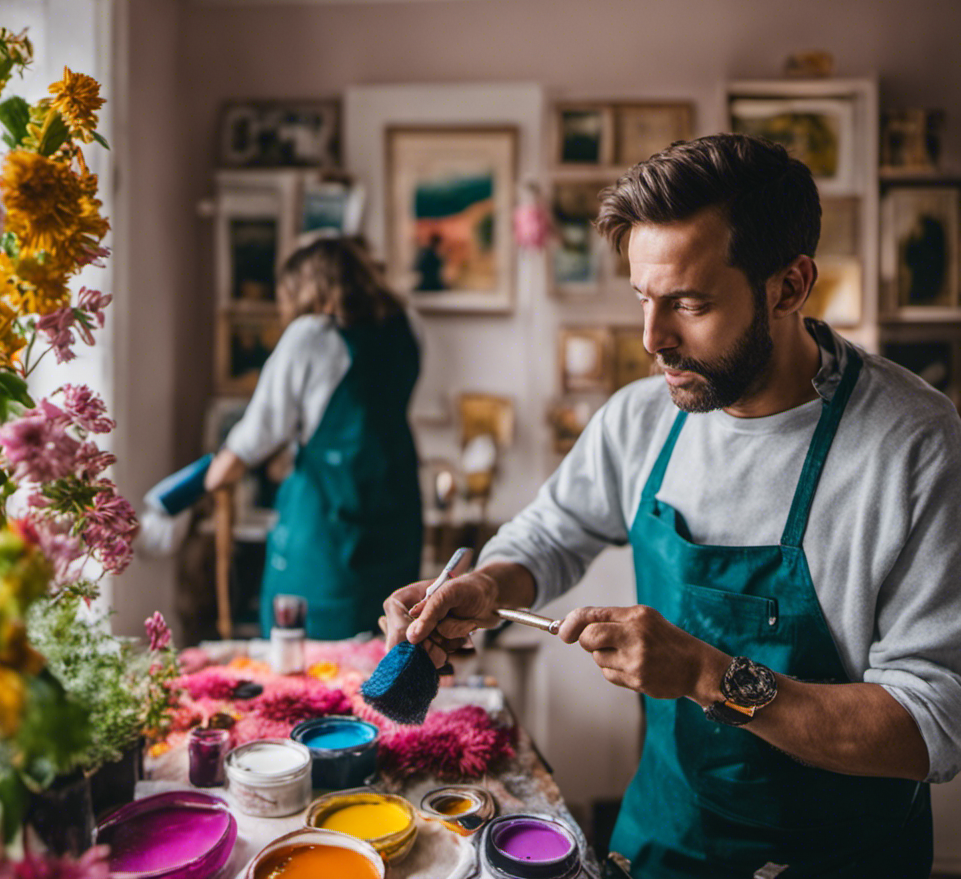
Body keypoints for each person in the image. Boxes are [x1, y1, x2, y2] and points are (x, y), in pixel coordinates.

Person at [382, 134, 961, 877]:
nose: (654, 340)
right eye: (643, 301)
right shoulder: (641, 418)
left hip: (841, 857)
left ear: (789, 285)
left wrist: (705, 675)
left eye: (689, 304)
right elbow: (553, 532)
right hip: (666, 838)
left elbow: (933, 724)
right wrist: (489, 586)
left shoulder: (914, 444)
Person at [207, 235, 423, 641]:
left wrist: (216, 473)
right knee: (388, 641)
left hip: (326, 518)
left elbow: (258, 432)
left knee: (306, 653)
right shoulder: (407, 325)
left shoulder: (310, 335)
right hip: (395, 509)